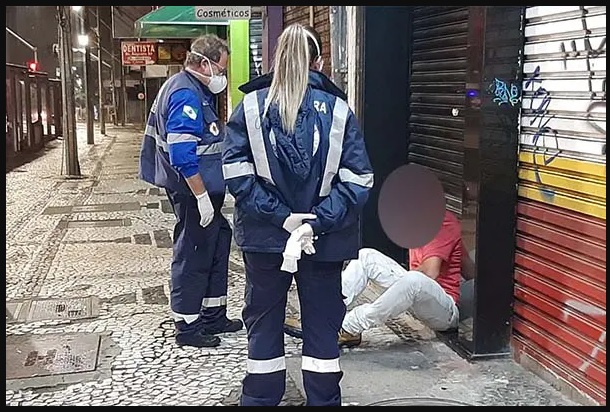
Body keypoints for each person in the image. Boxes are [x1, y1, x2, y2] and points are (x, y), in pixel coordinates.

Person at [222, 24, 374, 406]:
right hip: (324, 241)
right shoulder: (339, 110)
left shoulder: (251, 107)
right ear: (318, 62)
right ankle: (323, 400)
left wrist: (282, 219)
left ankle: (260, 399)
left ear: (275, 59)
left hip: (265, 239)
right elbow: (359, 179)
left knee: (263, 320)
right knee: (322, 326)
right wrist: (315, 222)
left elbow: (236, 173)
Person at [138, 34, 243, 349]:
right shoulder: (186, 93)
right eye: (221, 69)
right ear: (204, 63)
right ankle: (187, 326)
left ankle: (213, 314)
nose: (222, 76)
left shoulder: (191, 87)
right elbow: (183, 155)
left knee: (216, 243)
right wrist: (200, 198)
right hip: (192, 191)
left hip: (204, 190)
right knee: (194, 254)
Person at [285, 209, 466, 347]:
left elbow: (429, 273)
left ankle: (349, 327)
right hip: (420, 300)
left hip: (445, 311)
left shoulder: (442, 221)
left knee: (413, 280)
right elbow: (466, 267)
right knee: (366, 256)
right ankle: (323, 315)